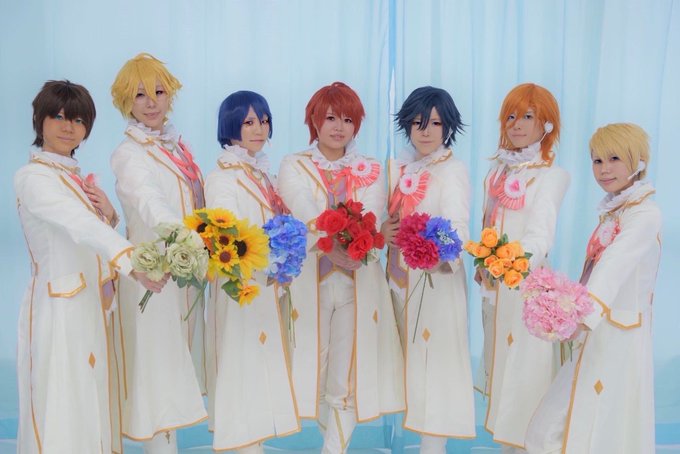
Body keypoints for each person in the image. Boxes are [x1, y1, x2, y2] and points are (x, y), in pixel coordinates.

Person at [15, 80, 164, 454]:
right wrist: (132, 261)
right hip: (59, 308)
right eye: (58, 116)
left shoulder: (75, 178)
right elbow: (77, 224)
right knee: (62, 406)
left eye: (79, 120)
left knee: (92, 403)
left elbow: (90, 234)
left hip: (94, 307)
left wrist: (111, 215)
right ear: (39, 120)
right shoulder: (33, 177)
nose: (68, 127)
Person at [277, 82, 404, 453]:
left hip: (357, 283)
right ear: (314, 120)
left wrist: (355, 248)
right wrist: (330, 245)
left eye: (348, 120)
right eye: (331, 117)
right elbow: (300, 205)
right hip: (308, 282)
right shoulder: (294, 164)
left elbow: (372, 212)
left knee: (345, 377)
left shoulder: (371, 168)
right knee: (312, 371)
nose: (339, 127)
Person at [525, 123, 660, 454]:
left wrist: (578, 317)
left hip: (618, 335)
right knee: (556, 424)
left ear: (639, 160)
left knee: (598, 423)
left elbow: (614, 266)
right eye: (597, 161)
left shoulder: (645, 214)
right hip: (595, 328)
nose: (604, 169)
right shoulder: (615, 212)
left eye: (614, 158)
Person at [109, 53, 207, 453]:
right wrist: (186, 238)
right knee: (159, 381)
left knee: (176, 375)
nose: (151, 102)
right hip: (152, 278)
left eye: (159, 92)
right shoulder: (129, 153)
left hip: (185, 274)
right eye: (139, 95)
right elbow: (150, 202)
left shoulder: (178, 147)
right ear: (125, 102)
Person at [475, 83, 570, 452]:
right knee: (500, 375)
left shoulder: (552, 175)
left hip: (528, 292)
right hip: (493, 291)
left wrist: (512, 262)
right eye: (511, 116)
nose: (516, 125)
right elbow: (487, 224)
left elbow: (540, 235)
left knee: (526, 381)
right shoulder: (496, 172)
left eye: (527, 117)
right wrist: (484, 261)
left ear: (546, 124)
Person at [203, 90, 300, 452]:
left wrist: (286, 254)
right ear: (230, 126)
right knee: (240, 371)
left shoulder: (263, 174)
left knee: (261, 372)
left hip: (266, 286)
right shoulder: (222, 177)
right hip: (240, 288)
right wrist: (272, 251)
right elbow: (226, 234)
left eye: (264, 121)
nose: (259, 129)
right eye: (248, 122)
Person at [385, 86, 475, 453]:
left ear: (448, 127)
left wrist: (439, 256)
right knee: (410, 368)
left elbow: (459, 225)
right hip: (398, 281)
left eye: (436, 123)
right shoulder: (400, 168)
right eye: (418, 122)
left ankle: (432, 448)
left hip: (435, 282)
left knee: (436, 367)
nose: (426, 131)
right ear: (407, 124)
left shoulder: (452, 170)